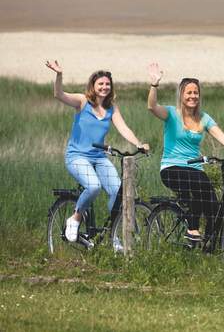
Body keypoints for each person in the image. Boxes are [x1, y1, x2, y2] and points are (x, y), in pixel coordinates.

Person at [45, 60, 149, 244]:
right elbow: (58, 94)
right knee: (93, 186)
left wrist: (138, 143)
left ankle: (116, 235)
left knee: (119, 192)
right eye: (101, 83)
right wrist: (59, 75)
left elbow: (123, 128)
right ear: (93, 85)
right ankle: (75, 218)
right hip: (77, 156)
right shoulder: (82, 101)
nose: (104, 87)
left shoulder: (111, 107)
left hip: (99, 157)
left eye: (108, 84)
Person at [147, 62, 224, 241]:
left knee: (214, 208)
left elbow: (221, 136)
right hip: (172, 168)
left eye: (196, 92)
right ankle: (192, 228)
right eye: (189, 92)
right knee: (200, 184)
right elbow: (152, 107)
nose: (193, 96)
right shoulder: (171, 114)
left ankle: (208, 246)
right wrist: (154, 85)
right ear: (182, 95)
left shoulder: (204, 118)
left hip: (195, 169)